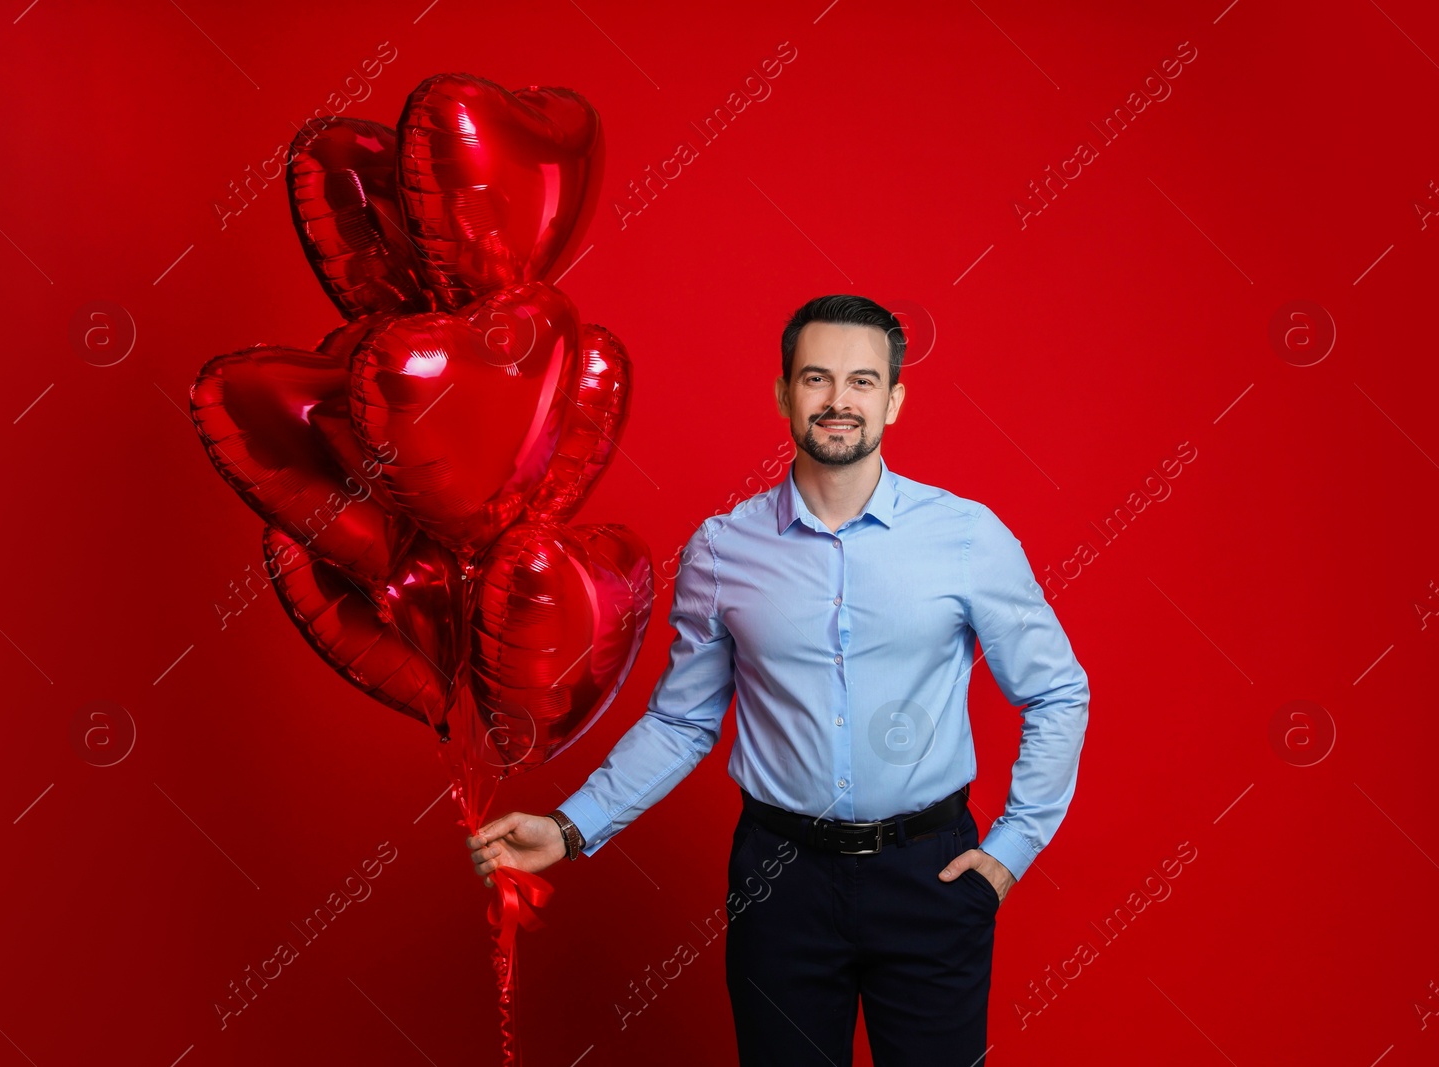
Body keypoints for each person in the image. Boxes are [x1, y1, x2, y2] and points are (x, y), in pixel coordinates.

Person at [466, 294, 1090, 1065]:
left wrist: (1012, 848)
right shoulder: (722, 550)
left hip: (932, 877)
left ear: (894, 399)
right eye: (817, 379)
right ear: (784, 393)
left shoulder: (967, 537)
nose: (838, 402)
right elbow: (682, 722)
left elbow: (1057, 690)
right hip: (779, 883)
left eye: (863, 382)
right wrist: (569, 826)